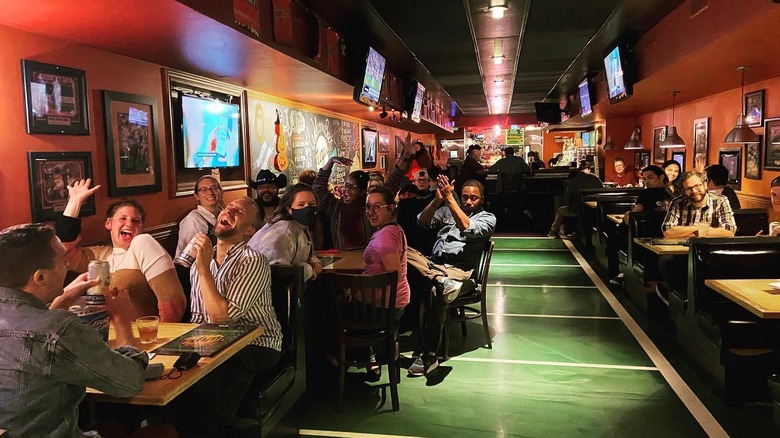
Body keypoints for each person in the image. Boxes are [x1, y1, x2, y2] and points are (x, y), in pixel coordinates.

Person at [0, 223, 147, 437]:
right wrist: (121, 318)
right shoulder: (58, 330)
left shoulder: (49, 328)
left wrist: (61, 299)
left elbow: (26, 335)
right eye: (62, 260)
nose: (68, 265)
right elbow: (129, 383)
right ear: (40, 277)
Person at [183, 196, 283, 434]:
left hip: (256, 342)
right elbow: (198, 317)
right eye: (228, 207)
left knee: (215, 378)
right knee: (171, 375)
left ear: (249, 230)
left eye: (238, 211)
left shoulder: (253, 261)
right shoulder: (202, 256)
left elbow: (223, 319)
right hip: (211, 341)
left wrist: (203, 267)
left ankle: (223, 428)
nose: (228, 210)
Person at [56, 179, 186, 322]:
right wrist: (75, 202)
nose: (129, 223)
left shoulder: (143, 243)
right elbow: (63, 251)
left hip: (144, 338)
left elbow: (173, 305)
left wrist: (162, 339)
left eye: (136, 221)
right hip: (106, 337)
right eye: (122, 218)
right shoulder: (100, 255)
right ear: (108, 223)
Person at [407, 176, 496, 377]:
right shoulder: (446, 209)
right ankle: (439, 279)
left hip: (461, 273)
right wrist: (438, 200)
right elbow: (422, 221)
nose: (468, 201)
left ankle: (429, 355)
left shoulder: (487, 218)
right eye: (464, 197)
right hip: (436, 266)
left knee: (434, 291)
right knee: (402, 250)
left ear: (482, 199)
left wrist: (451, 199)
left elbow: (467, 227)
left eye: (474, 198)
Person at [312, 140, 410, 250]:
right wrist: (330, 162)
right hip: (344, 262)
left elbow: (393, 181)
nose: (346, 190)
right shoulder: (336, 207)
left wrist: (405, 158)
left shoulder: (370, 206)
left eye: (353, 187)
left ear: (362, 191)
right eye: (346, 185)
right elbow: (317, 189)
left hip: (369, 258)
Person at [249, 183, 322, 282]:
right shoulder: (282, 231)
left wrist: (314, 262)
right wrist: (308, 269)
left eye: (312, 204)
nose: (307, 208)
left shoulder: (300, 226)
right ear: (289, 209)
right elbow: (278, 273)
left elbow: (303, 253)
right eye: (301, 204)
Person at [662, 171, 736, 239]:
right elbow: (667, 231)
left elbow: (729, 231)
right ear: (684, 191)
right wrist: (699, 228)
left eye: (697, 186)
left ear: (705, 184)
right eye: (689, 188)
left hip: (710, 249)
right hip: (682, 250)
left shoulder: (721, 201)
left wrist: (693, 235)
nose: (694, 191)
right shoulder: (677, 203)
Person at [548, 161, 603, 238]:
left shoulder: (573, 181)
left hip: (577, 210)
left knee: (561, 210)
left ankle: (553, 232)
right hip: (595, 211)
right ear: (589, 169)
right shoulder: (596, 179)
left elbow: (567, 200)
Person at [176, 175, 223, 256]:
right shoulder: (193, 220)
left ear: (221, 192)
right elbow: (184, 259)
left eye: (214, 188)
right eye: (204, 189)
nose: (210, 193)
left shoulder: (225, 214)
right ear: (196, 196)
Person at [396, 181, 437, 256]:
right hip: (428, 246)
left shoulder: (403, 205)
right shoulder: (427, 203)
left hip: (409, 247)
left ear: (406, 194)